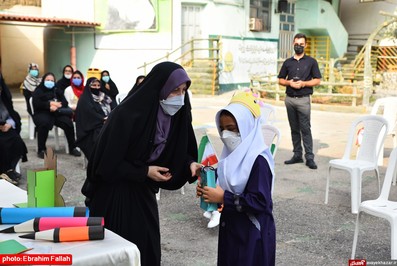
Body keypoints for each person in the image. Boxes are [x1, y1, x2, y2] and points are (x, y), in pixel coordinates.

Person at [82, 62, 201, 266]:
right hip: (113, 193)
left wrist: (189, 164)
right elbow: (104, 165)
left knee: (147, 249)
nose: (180, 97)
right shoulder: (126, 115)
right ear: (160, 88)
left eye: (184, 91)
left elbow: (180, 148)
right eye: (174, 90)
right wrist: (144, 171)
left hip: (142, 190)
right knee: (118, 252)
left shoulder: (176, 116)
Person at [196, 91, 276, 265]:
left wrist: (223, 197)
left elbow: (260, 201)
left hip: (253, 234)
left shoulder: (258, 160)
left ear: (247, 126)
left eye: (232, 129)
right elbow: (223, 178)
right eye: (222, 129)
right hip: (232, 228)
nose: (225, 135)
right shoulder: (230, 156)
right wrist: (207, 185)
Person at [277, 33, 322, 170]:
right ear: (293, 44)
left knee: (305, 129)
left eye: (301, 44)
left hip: (303, 100)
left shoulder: (311, 62)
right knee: (294, 129)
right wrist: (289, 82)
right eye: (297, 44)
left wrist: (303, 84)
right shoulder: (287, 62)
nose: (299, 46)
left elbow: (317, 80)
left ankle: (309, 157)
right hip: (290, 99)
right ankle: (297, 155)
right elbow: (280, 79)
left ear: (305, 45)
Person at [32, 72, 81, 158]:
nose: (50, 82)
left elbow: (65, 102)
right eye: (47, 80)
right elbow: (36, 103)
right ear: (43, 80)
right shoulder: (38, 90)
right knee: (43, 124)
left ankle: (72, 147)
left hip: (57, 113)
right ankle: (41, 149)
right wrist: (49, 105)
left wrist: (57, 105)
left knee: (68, 123)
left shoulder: (57, 90)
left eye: (52, 80)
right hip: (42, 112)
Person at [75, 77, 116, 160]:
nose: (97, 87)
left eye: (98, 85)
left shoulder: (105, 97)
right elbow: (90, 115)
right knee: (102, 135)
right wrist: (102, 119)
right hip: (92, 128)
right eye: (94, 85)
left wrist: (111, 117)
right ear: (88, 86)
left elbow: (114, 108)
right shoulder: (84, 99)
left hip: (108, 122)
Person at [0, 65, 28, 185]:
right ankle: (3, 171)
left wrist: (10, 124)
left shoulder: (3, 99)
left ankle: (9, 169)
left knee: (16, 140)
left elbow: (12, 115)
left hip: (4, 127)